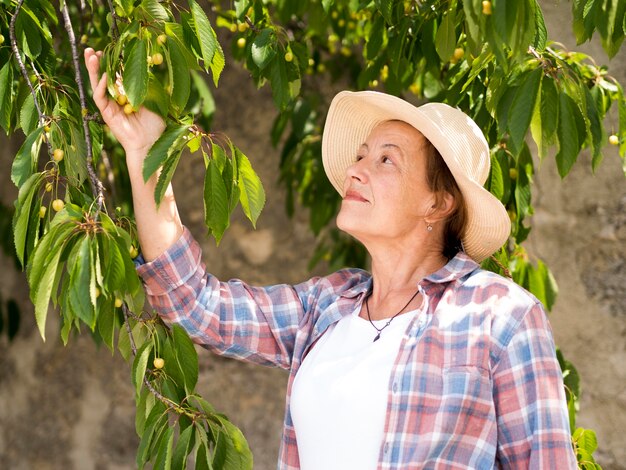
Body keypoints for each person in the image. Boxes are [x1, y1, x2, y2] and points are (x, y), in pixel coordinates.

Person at [85, 48, 578, 469]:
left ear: (438, 203)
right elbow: (195, 303)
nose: (357, 169)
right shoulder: (327, 306)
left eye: (387, 159)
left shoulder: (501, 317)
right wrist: (143, 150)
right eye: (361, 154)